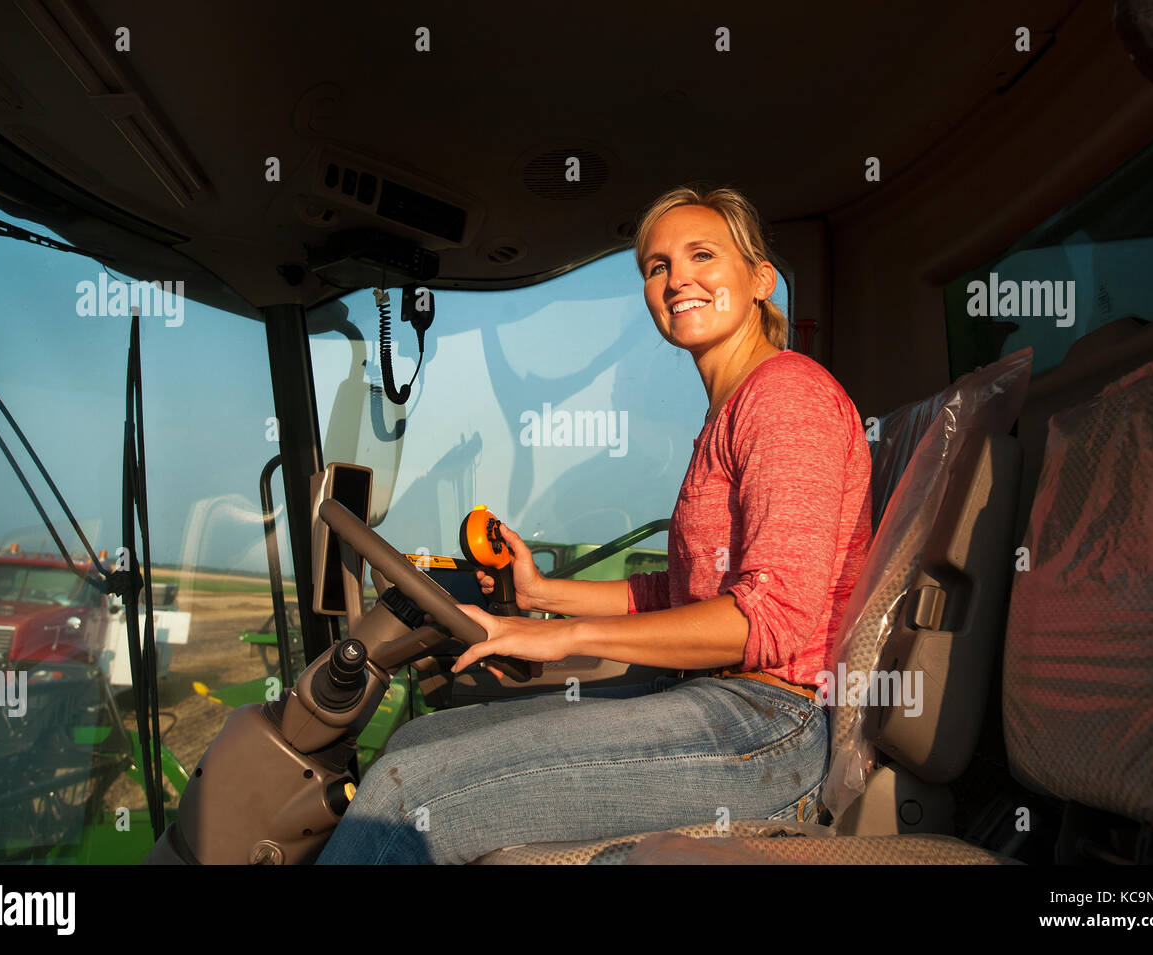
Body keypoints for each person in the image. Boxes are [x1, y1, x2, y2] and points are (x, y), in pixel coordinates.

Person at [316, 184, 873, 865]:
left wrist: (562, 639)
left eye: (702, 254)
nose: (677, 280)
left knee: (410, 794)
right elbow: (680, 593)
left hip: (766, 731)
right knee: (409, 747)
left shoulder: (786, 394)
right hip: (716, 700)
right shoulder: (728, 412)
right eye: (656, 266)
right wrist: (542, 596)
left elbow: (775, 619)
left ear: (761, 280)